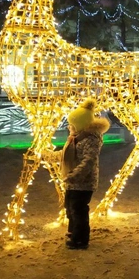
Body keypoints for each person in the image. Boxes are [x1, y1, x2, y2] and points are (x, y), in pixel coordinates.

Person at [47, 98, 110, 250]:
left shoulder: (91, 140)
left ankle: (80, 239)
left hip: (83, 183)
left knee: (79, 211)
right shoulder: (75, 139)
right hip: (72, 182)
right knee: (69, 208)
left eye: (72, 125)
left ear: (80, 125)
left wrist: (75, 175)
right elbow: (64, 155)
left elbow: (88, 162)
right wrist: (47, 156)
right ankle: (73, 231)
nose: (69, 127)